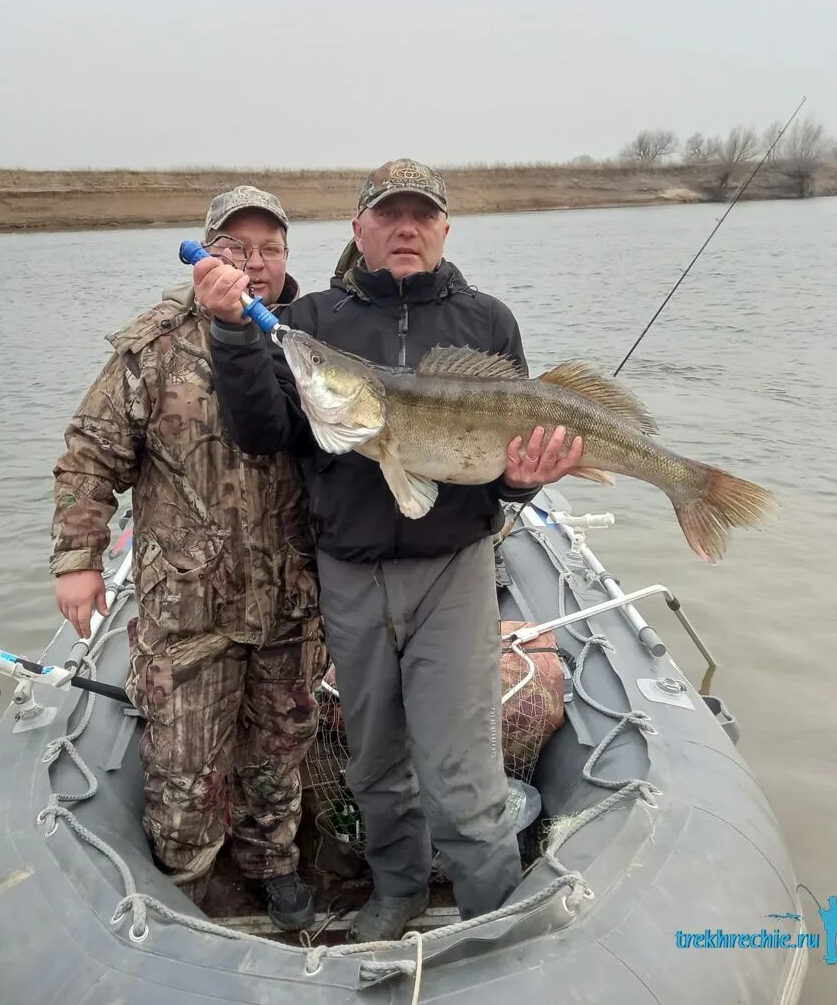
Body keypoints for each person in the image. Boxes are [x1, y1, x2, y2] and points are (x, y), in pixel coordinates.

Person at [195, 159, 582, 941]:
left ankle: (493, 919)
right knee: (373, 760)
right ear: (358, 229)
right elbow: (266, 430)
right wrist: (236, 335)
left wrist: (521, 486)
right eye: (389, 214)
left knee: (464, 770)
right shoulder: (312, 322)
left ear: (443, 229)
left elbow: (500, 468)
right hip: (350, 571)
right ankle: (399, 891)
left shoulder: (489, 322)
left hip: (456, 570)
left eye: (422, 215)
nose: (406, 228)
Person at [49, 185, 325, 932]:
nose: (255, 262)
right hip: (189, 608)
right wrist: (78, 558)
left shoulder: (314, 338)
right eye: (237, 247)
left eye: (270, 248)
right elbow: (89, 455)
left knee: (280, 749)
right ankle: (187, 885)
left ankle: (273, 863)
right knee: (184, 773)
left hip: (293, 602)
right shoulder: (155, 345)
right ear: (206, 252)